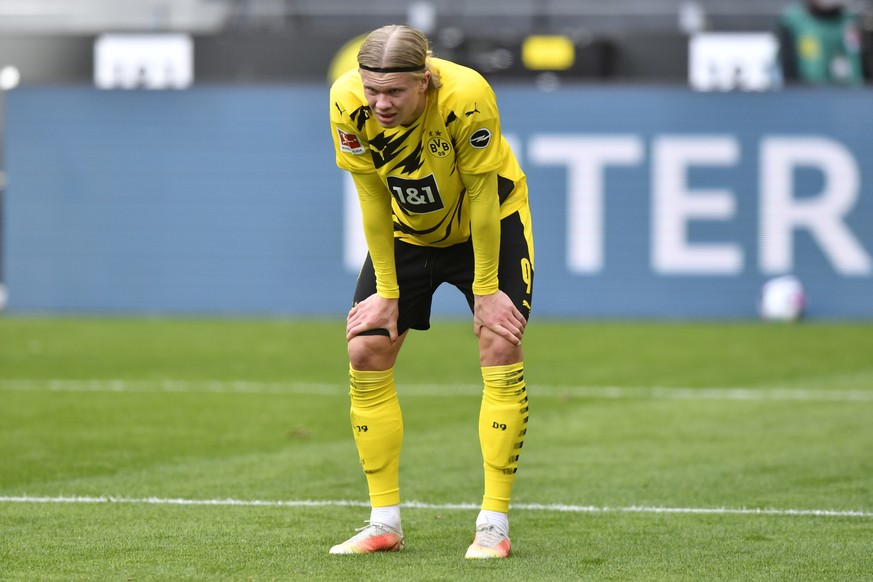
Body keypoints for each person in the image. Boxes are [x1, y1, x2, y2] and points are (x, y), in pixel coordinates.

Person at [327, 24, 534, 559]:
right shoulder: (347, 101)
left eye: (394, 92)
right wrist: (388, 291)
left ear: (427, 80)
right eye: (373, 90)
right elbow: (371, 195)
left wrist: (487, 289)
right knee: (366, 345)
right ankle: (383, 522)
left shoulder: (467, 97)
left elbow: (485, 196)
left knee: (500, 340)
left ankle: (493, 524)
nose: (380, 103)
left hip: (484, 224)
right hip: (406, 229)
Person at [776, 0, 868, 85]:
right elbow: (788, 67)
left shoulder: (851, 20)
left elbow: (861, 63)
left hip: (850, 94)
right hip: (808, 94)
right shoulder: (793, 20)